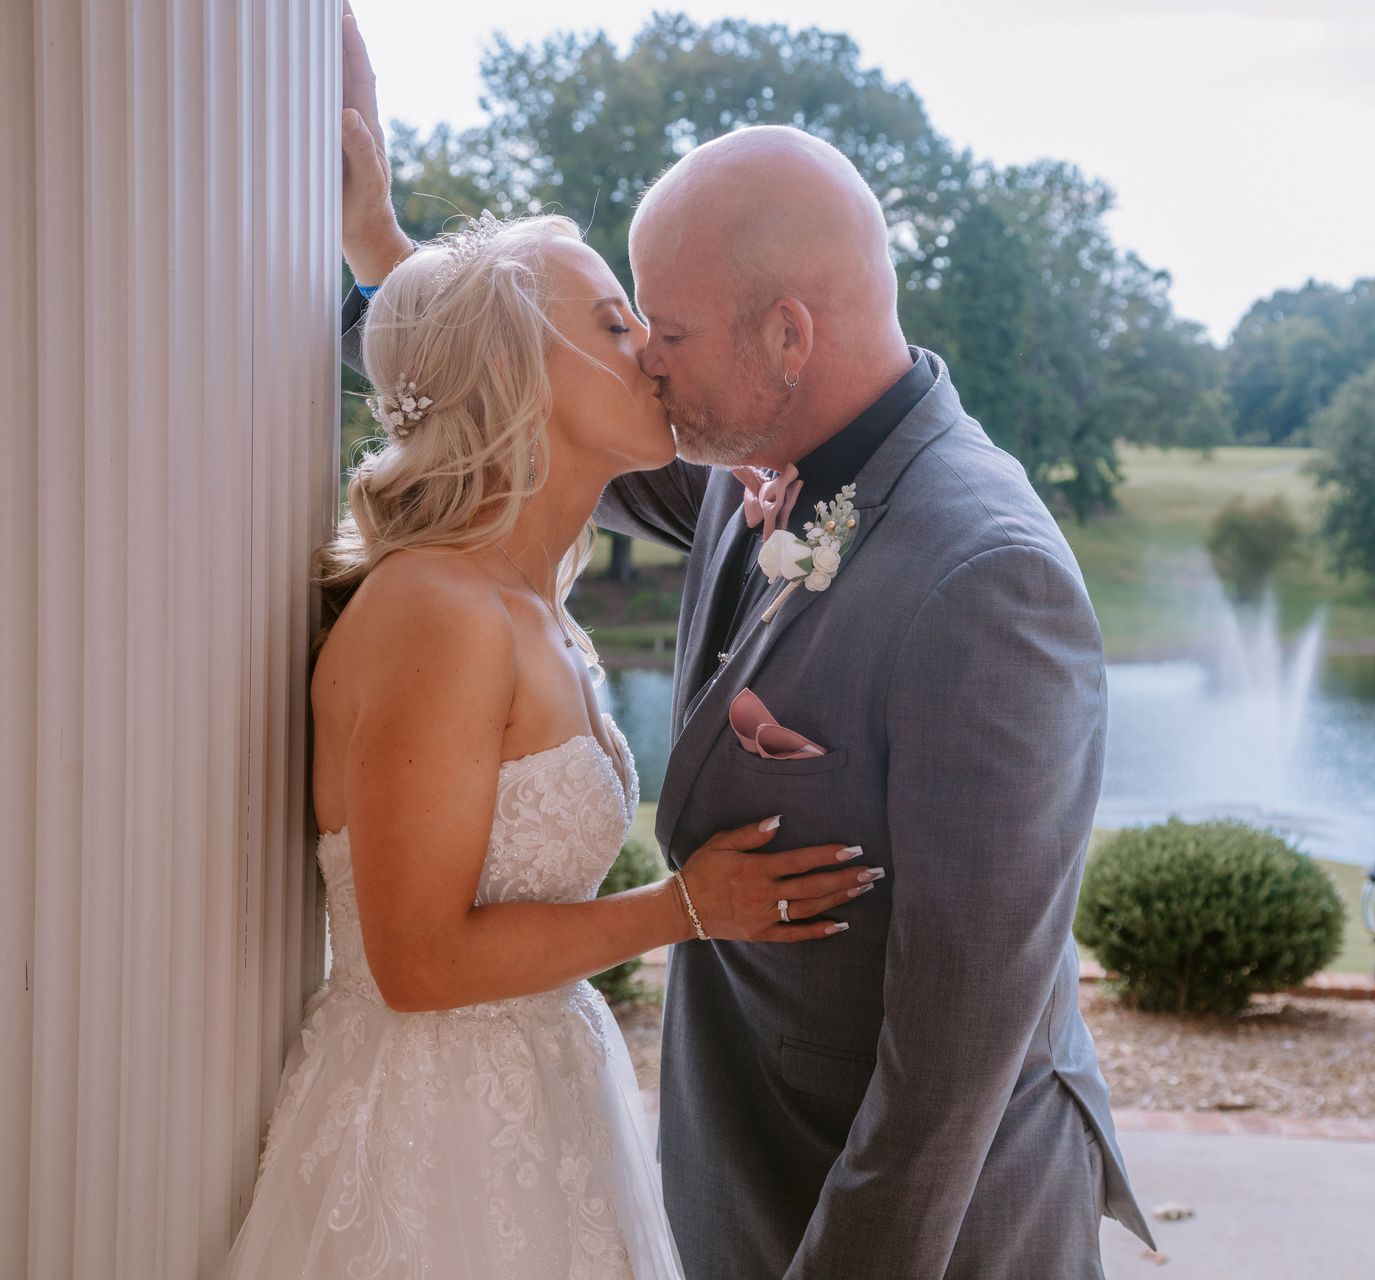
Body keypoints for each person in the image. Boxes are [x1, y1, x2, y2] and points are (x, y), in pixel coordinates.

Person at [334, 5, 1154, 1275]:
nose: (648, 365)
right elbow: (507, 404)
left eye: (667, 328)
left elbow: (955, 1058)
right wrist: (379, 245)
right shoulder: (750, 460)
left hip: (917, 1222)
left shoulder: (988, 580)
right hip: (741, 1170)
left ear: (787, 336)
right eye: (631, 329)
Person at [221, 209, 878, 1279]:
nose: (653, 353)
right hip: (432, 1144)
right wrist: (686, 908)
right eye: (618, 325)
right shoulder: (437, 607)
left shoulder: (537, 608)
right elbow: (415, 961)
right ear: (516, 369)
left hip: (550, 1105)